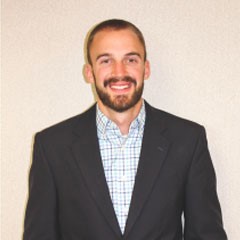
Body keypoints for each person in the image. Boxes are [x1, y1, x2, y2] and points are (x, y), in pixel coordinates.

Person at [23, 19, 227, 240]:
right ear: (89, 72)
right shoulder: (52, 147)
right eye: (106, 61)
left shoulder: (188, 140)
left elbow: (207, 235)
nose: (119, 71)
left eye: (130, 59)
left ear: (145, 68)